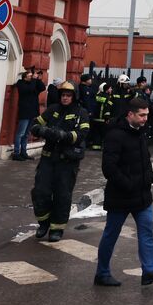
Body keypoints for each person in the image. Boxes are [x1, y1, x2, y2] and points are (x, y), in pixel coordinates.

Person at [94, 98, 153, 287]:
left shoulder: (140, 133)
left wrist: (149, 176)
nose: (145, 119)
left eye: (147, 115)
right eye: (141, 115)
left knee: (146, 233)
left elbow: (144, 159)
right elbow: (109, 168)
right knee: (111, 234)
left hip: (142, 196)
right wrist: (127, 184)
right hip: (120, 196)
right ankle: (102, 273)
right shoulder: (115, 135)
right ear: (130, 114)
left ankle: (149, 271)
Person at [30, 81, 89, 242]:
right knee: (40, 192)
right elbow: (35, 124)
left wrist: (65, 136)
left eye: (68, 95)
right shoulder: (53, 110)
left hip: (67, 162)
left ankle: (57, 228)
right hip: (48, 159)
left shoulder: (80, 113)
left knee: (62, 195)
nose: (65, 98)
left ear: (74, 97)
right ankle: (43, 223)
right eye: (63, 95)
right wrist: (41, 130)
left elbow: (82, 133)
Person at [12, 67, 45, 161]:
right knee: (20, 133)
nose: (32, 77)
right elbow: (29, 89)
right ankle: (16, 153)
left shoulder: (33, 84)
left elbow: (42, 87)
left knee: (26, 134)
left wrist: (37, 79)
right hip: (25, 111)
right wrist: (34, 79)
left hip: (32, 112)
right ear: (24, 77)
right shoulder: (21, 84)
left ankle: (23, 152)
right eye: (30, 76)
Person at [90, 82, 110, 151]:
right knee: (103, 134)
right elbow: (107, 108)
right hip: (102, 119)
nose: (111, 89)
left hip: (95, 118)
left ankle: (95, 146)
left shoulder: (97, 95)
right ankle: (102, 146)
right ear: (107, 89)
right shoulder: (107, 97)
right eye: (110, 88)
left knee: (96, 133)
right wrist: (107, 118)